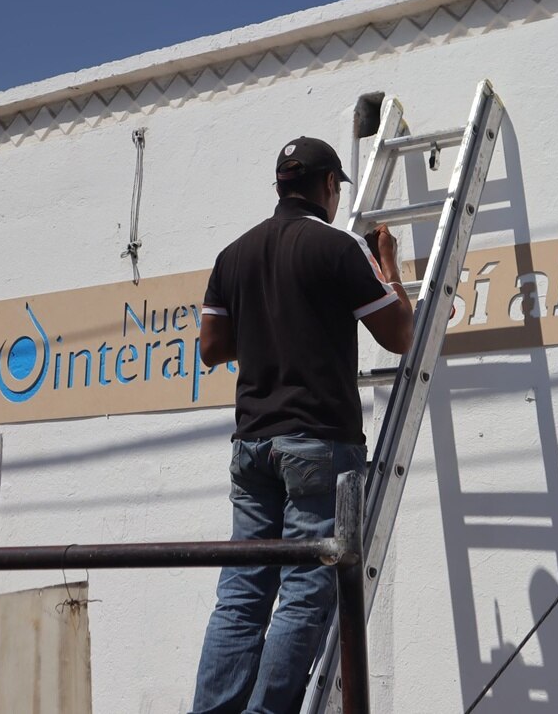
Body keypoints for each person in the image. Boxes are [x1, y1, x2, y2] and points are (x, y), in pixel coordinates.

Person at [192, 136, 413, 713]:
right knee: (304, 592)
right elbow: (399, 335)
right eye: (337, 187)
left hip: (252, 447)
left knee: (240, 595)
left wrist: (271, 322)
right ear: (327, 186)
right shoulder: (337, 250)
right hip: (318, 443)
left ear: (280, 187)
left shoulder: (232, 255)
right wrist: (388, 264)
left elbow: (211, 348)